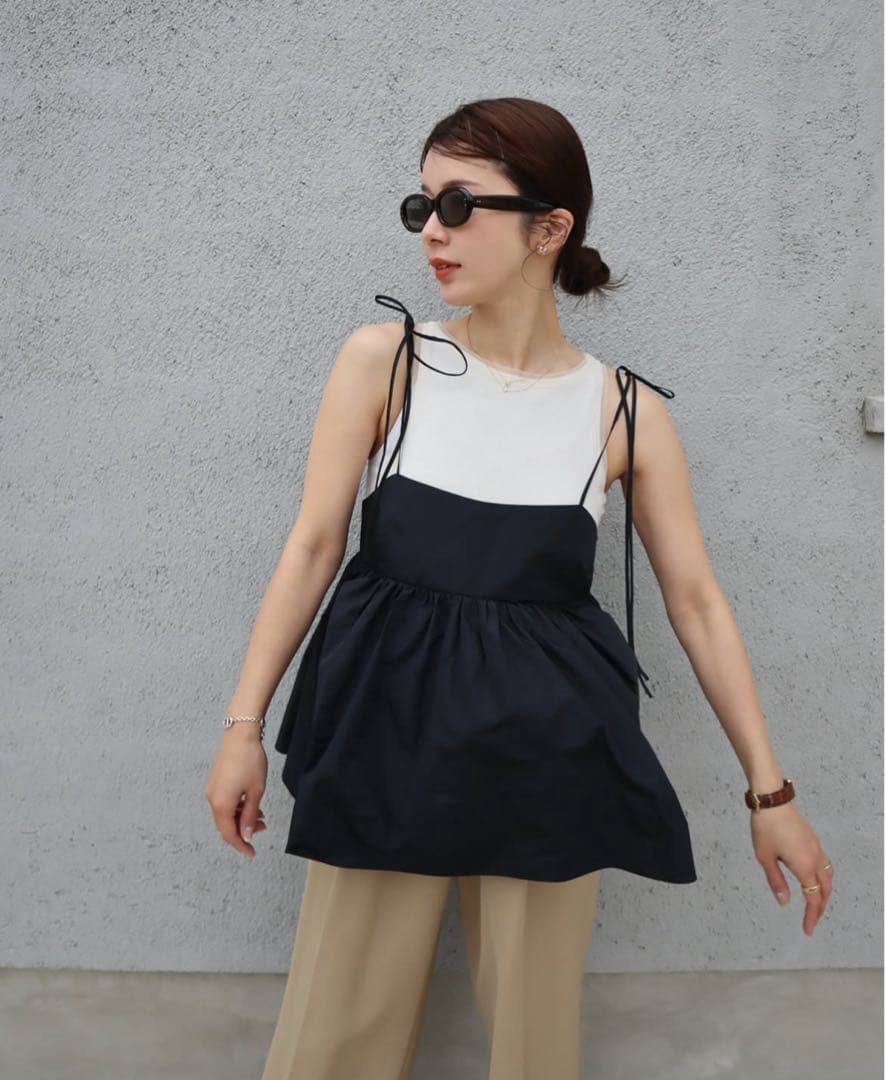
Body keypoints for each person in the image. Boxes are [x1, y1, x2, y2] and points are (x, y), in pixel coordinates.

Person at [205, 97, 834, 1080]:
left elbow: (698, 603)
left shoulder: (623, 411)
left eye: (461, 205)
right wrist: (242, 726)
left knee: (534, 1048)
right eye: (422, 207)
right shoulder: (387, 361)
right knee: (333, 1038)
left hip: (551, 746)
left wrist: (771, 794)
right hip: (382, 725)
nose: (434, 231)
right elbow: (313, 545)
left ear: (550, 228)